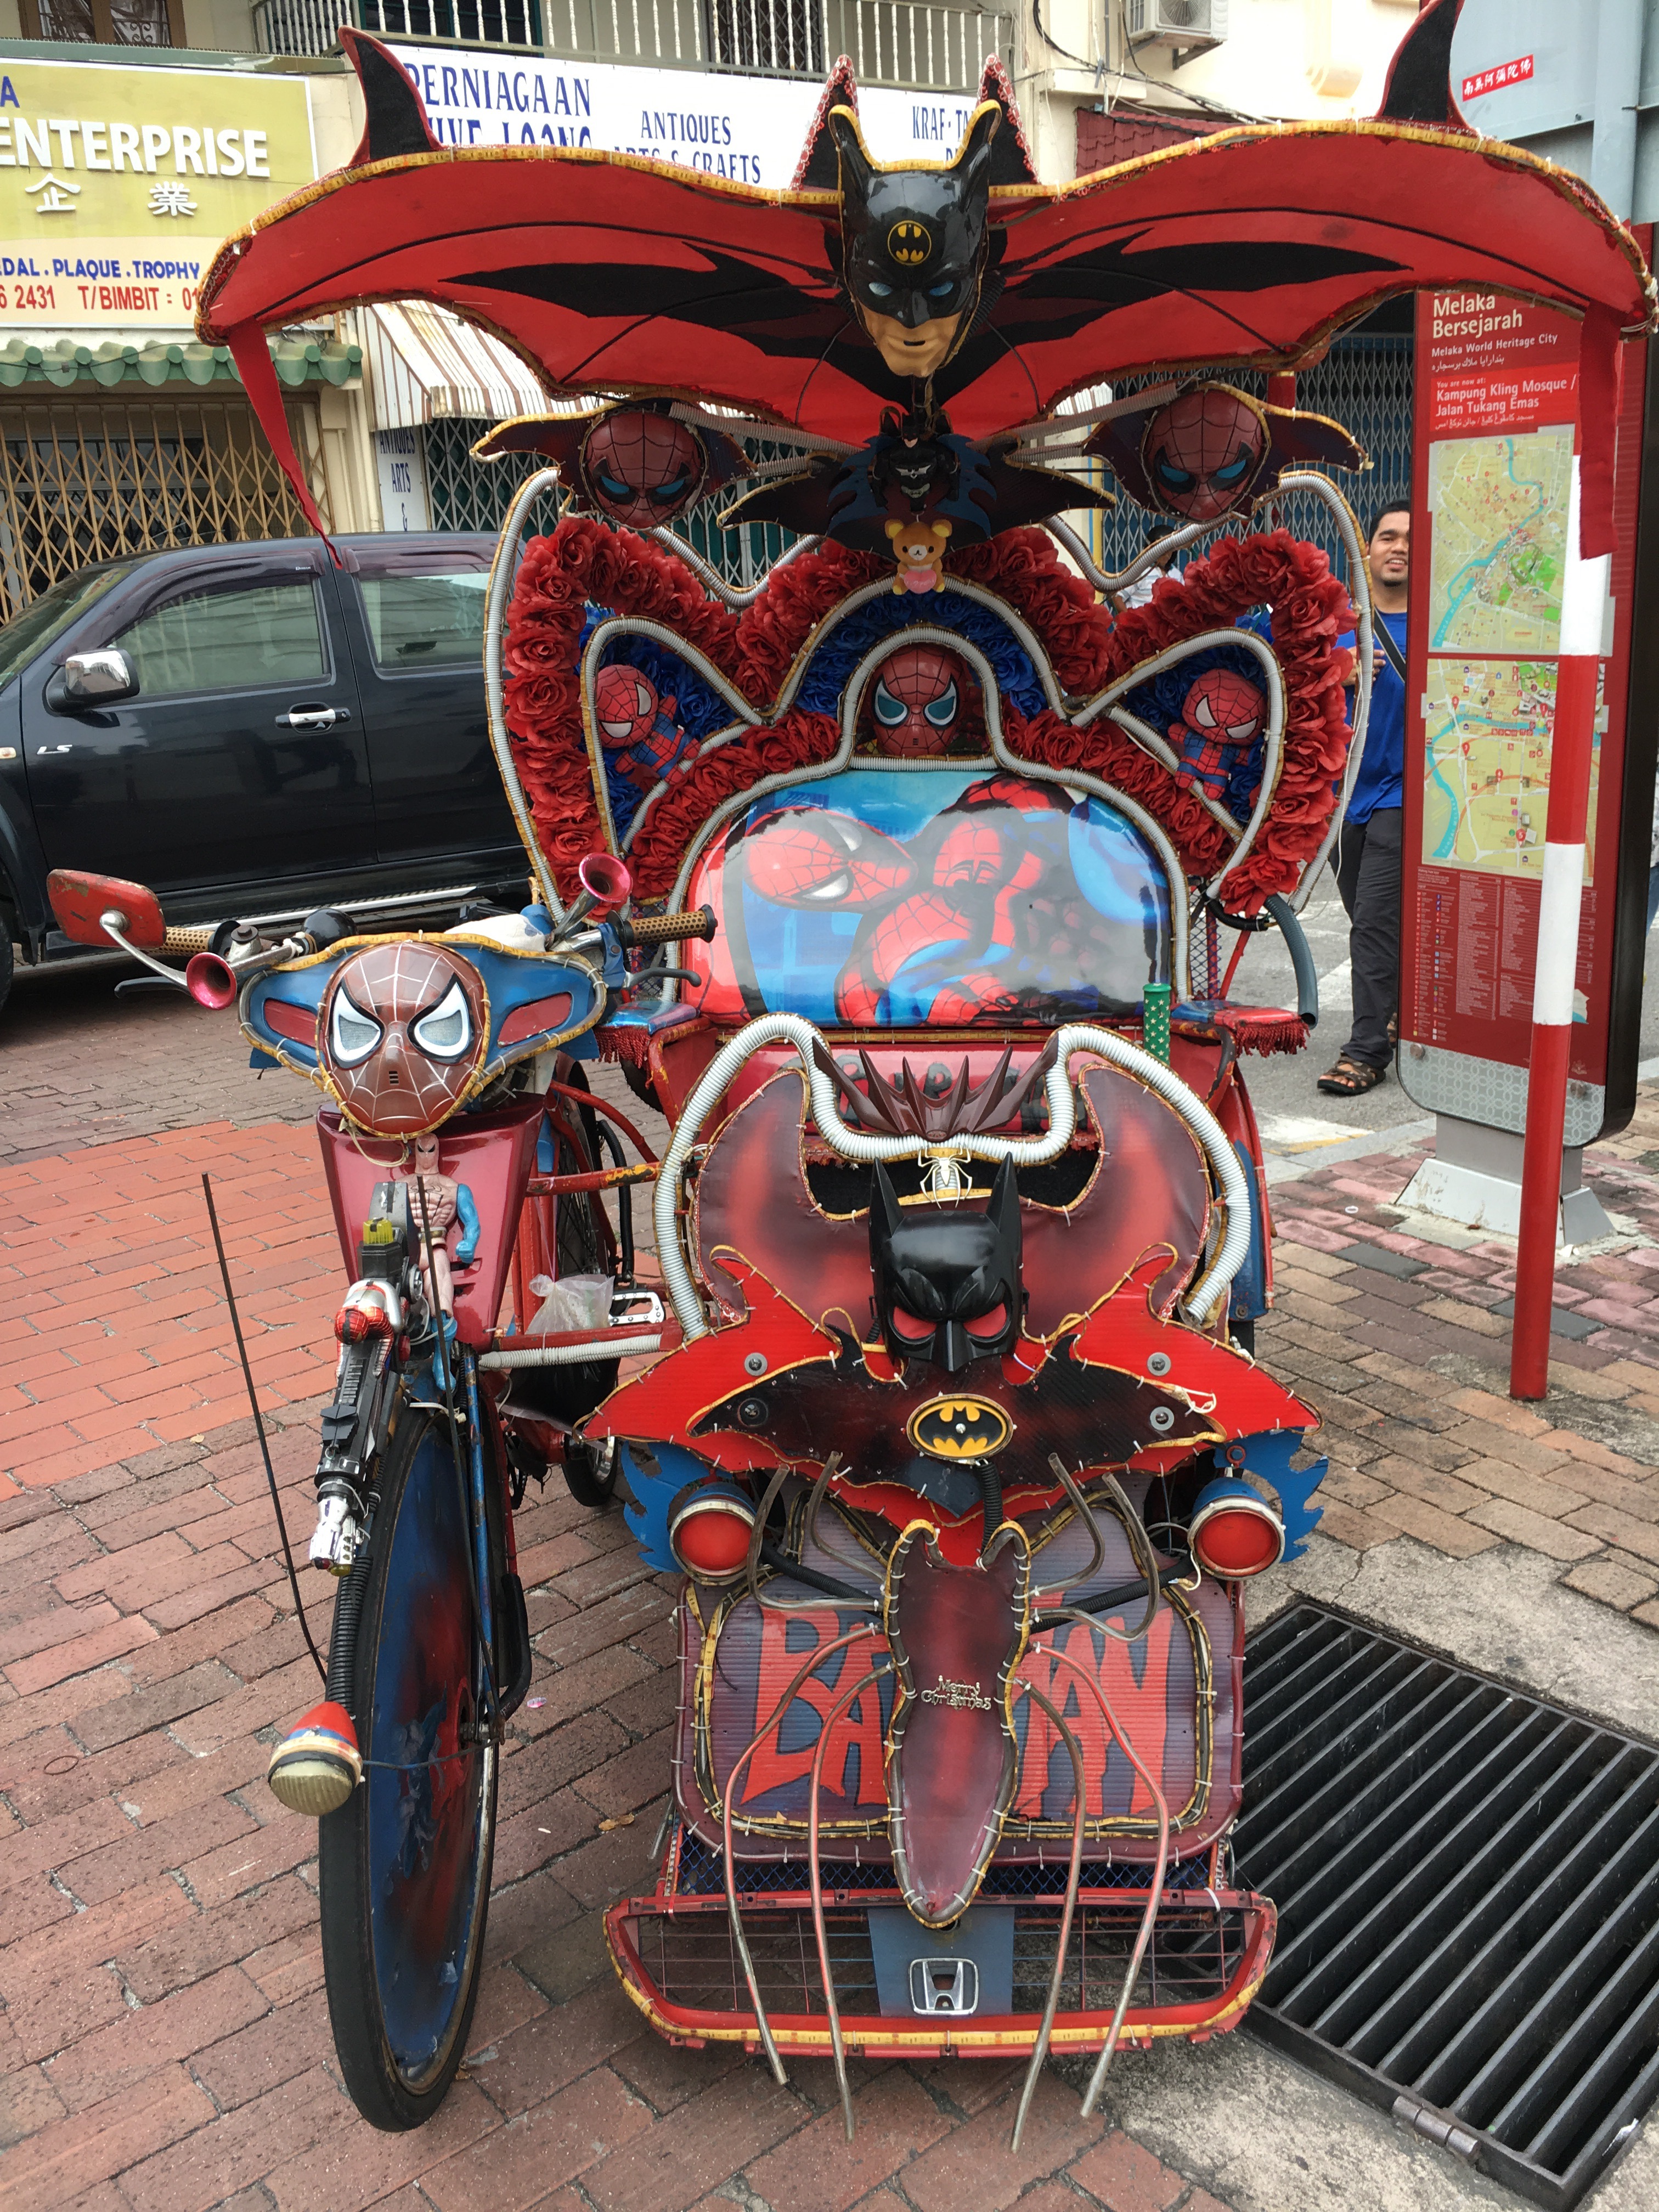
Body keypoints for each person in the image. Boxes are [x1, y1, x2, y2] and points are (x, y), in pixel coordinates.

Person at [1317, 503, 1409, 1096]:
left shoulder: (1441, 629)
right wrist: (1337, 672)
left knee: (1373, 921)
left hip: (1405, 795)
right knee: (1371, 917)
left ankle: (1367, 1050)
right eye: (1388, 536)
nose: (1399, 547)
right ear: (1366, 548)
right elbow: (1282, 684)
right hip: (1341, 795)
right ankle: (1402, 1007)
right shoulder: (1335, 625)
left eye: (1412, 540)